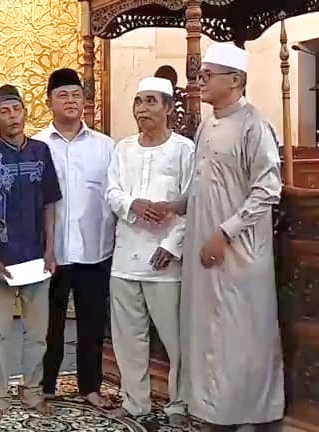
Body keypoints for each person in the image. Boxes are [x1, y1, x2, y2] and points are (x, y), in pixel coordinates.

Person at [176, 43, 284, 431]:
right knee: (208, 334)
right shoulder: (206, 126)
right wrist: (173, 205)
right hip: (204, 248)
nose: (199, 81)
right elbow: (202, 185)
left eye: (207, 75)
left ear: (235, 80)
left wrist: (225, 233)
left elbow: (268, 189)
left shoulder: (255, 124)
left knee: (240, 337)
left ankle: (249, 415)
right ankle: (212, 411)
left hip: (240, 253)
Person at [0, 84, 61, 422]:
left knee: (37, 332)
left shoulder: (41, 152)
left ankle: (33, 390)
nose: (12, 117)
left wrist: (51, 249)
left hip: (37, 257)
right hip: (2, 260)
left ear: (26, 112)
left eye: (17, 109)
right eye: (4, 111)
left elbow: (50, 203)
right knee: (0, 333)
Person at [104, 76, 192, 425]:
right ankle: (135, 403)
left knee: (176, 341)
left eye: (150, 101)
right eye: (138, 102)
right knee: (128, 338)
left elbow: (193, 202)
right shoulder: (123, 148)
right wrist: (133, 205)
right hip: (126, 258)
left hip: (165, 262)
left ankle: (179, 404)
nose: (142, 109)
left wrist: (172, 245)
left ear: (168, 107)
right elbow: (112, 192)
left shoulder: (184, 149)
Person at [32, 68, 115, 407]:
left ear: (84, 101)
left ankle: (90, 387)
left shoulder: (105, 146)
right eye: (63, 95)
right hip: (51, 252)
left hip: (95, 249)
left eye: (76, 95)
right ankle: (46, 385)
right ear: (49, 102)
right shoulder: (36, 146)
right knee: (47, 325)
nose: (70, 101)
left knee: (91, 324)